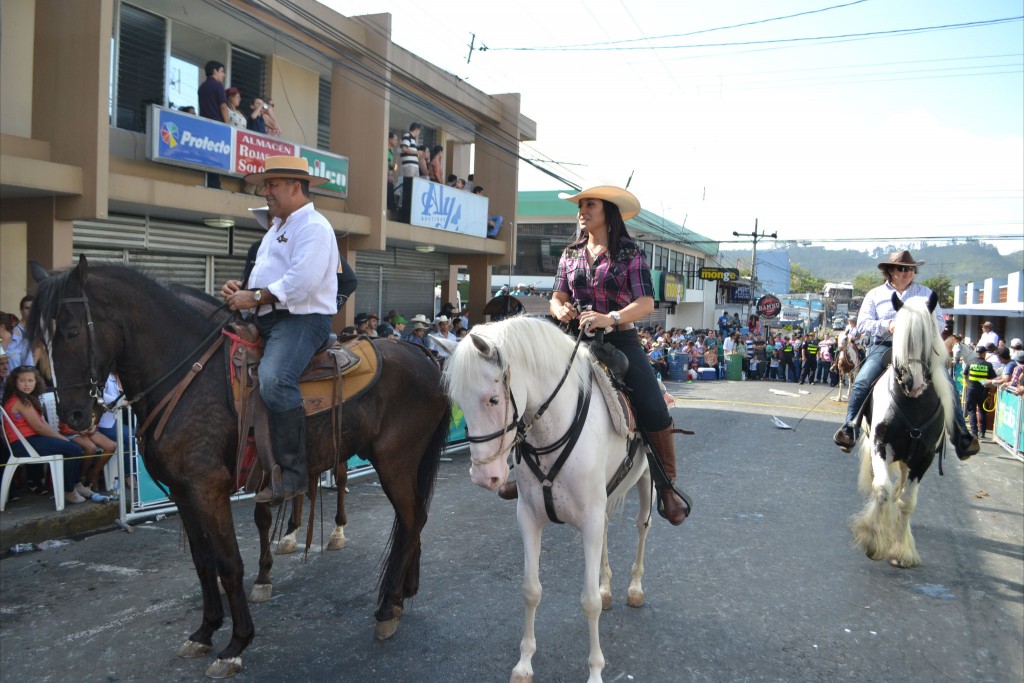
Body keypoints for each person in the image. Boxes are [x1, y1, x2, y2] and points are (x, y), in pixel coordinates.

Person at [499, 185, 689, 526]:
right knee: (525, 389)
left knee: (653, 405)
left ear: (608, 212)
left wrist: (610, 317)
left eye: (589, 205)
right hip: (570, 339)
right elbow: (557, 295)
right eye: (580, 206)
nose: (581, 211)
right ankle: (520, 469)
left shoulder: (631, 253)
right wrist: (560, 310)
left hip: (619, 340)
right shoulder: (569, 254)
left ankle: (667, 486)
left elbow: (645, 304)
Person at [220, 156, 339, 506]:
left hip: (301, 321)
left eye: (272, 184)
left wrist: (252, 296)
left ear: (295, 186)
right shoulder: (277, 228)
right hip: (267, 318)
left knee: (274, 380)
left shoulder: (314, 227)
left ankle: (293, 473)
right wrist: (240, 289)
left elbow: (300, 283)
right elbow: (265, 279)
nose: (265, 191)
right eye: (265, 184)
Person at [833, 250, 979, 459]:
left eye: (911, 269)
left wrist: (917, 324)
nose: (908, 272)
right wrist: (888, 324)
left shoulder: (926, 293)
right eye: (902, 268)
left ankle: (961, 436)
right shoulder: (875, 294)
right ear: (890, 271)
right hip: (885, 346)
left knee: (946, 383)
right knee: (862, 381)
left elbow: (939, 321)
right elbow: (863, 325)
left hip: (919, 348)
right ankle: (850, 428)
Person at [3, 365, 92, 504]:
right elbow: (39, 428)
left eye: (30, 380)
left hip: (31, 440)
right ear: (15, 382)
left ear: (36, 381)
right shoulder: (20, 400)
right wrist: (62, 439)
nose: (27, 384)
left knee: (72, 447)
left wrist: (62, 439)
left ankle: (76, 485)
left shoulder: (27, 398)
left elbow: (42, 425)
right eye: (22, 380)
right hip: (24, 444)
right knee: (73, 449)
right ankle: (69, 490)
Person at [197, 60, 228, 189]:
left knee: (208, 153)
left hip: (204, 125)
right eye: (222, 71)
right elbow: (223, 107)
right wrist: (228, 125)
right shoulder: (217, 86)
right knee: (217, 153)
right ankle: (215, 183)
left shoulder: (202, 87)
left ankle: (210, 181)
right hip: (216, 125)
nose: (224, 75)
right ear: (215, 71)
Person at [964, 346, 996, 440]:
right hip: (983, 391)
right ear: (983, 353)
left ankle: (974, 432)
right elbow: (992, 378)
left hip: (971, 390)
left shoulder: (970, 363)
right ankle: (982, 432)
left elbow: (965, 375)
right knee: (982, 411)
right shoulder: (988, 365)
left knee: (972, 411)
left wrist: (968, 384)